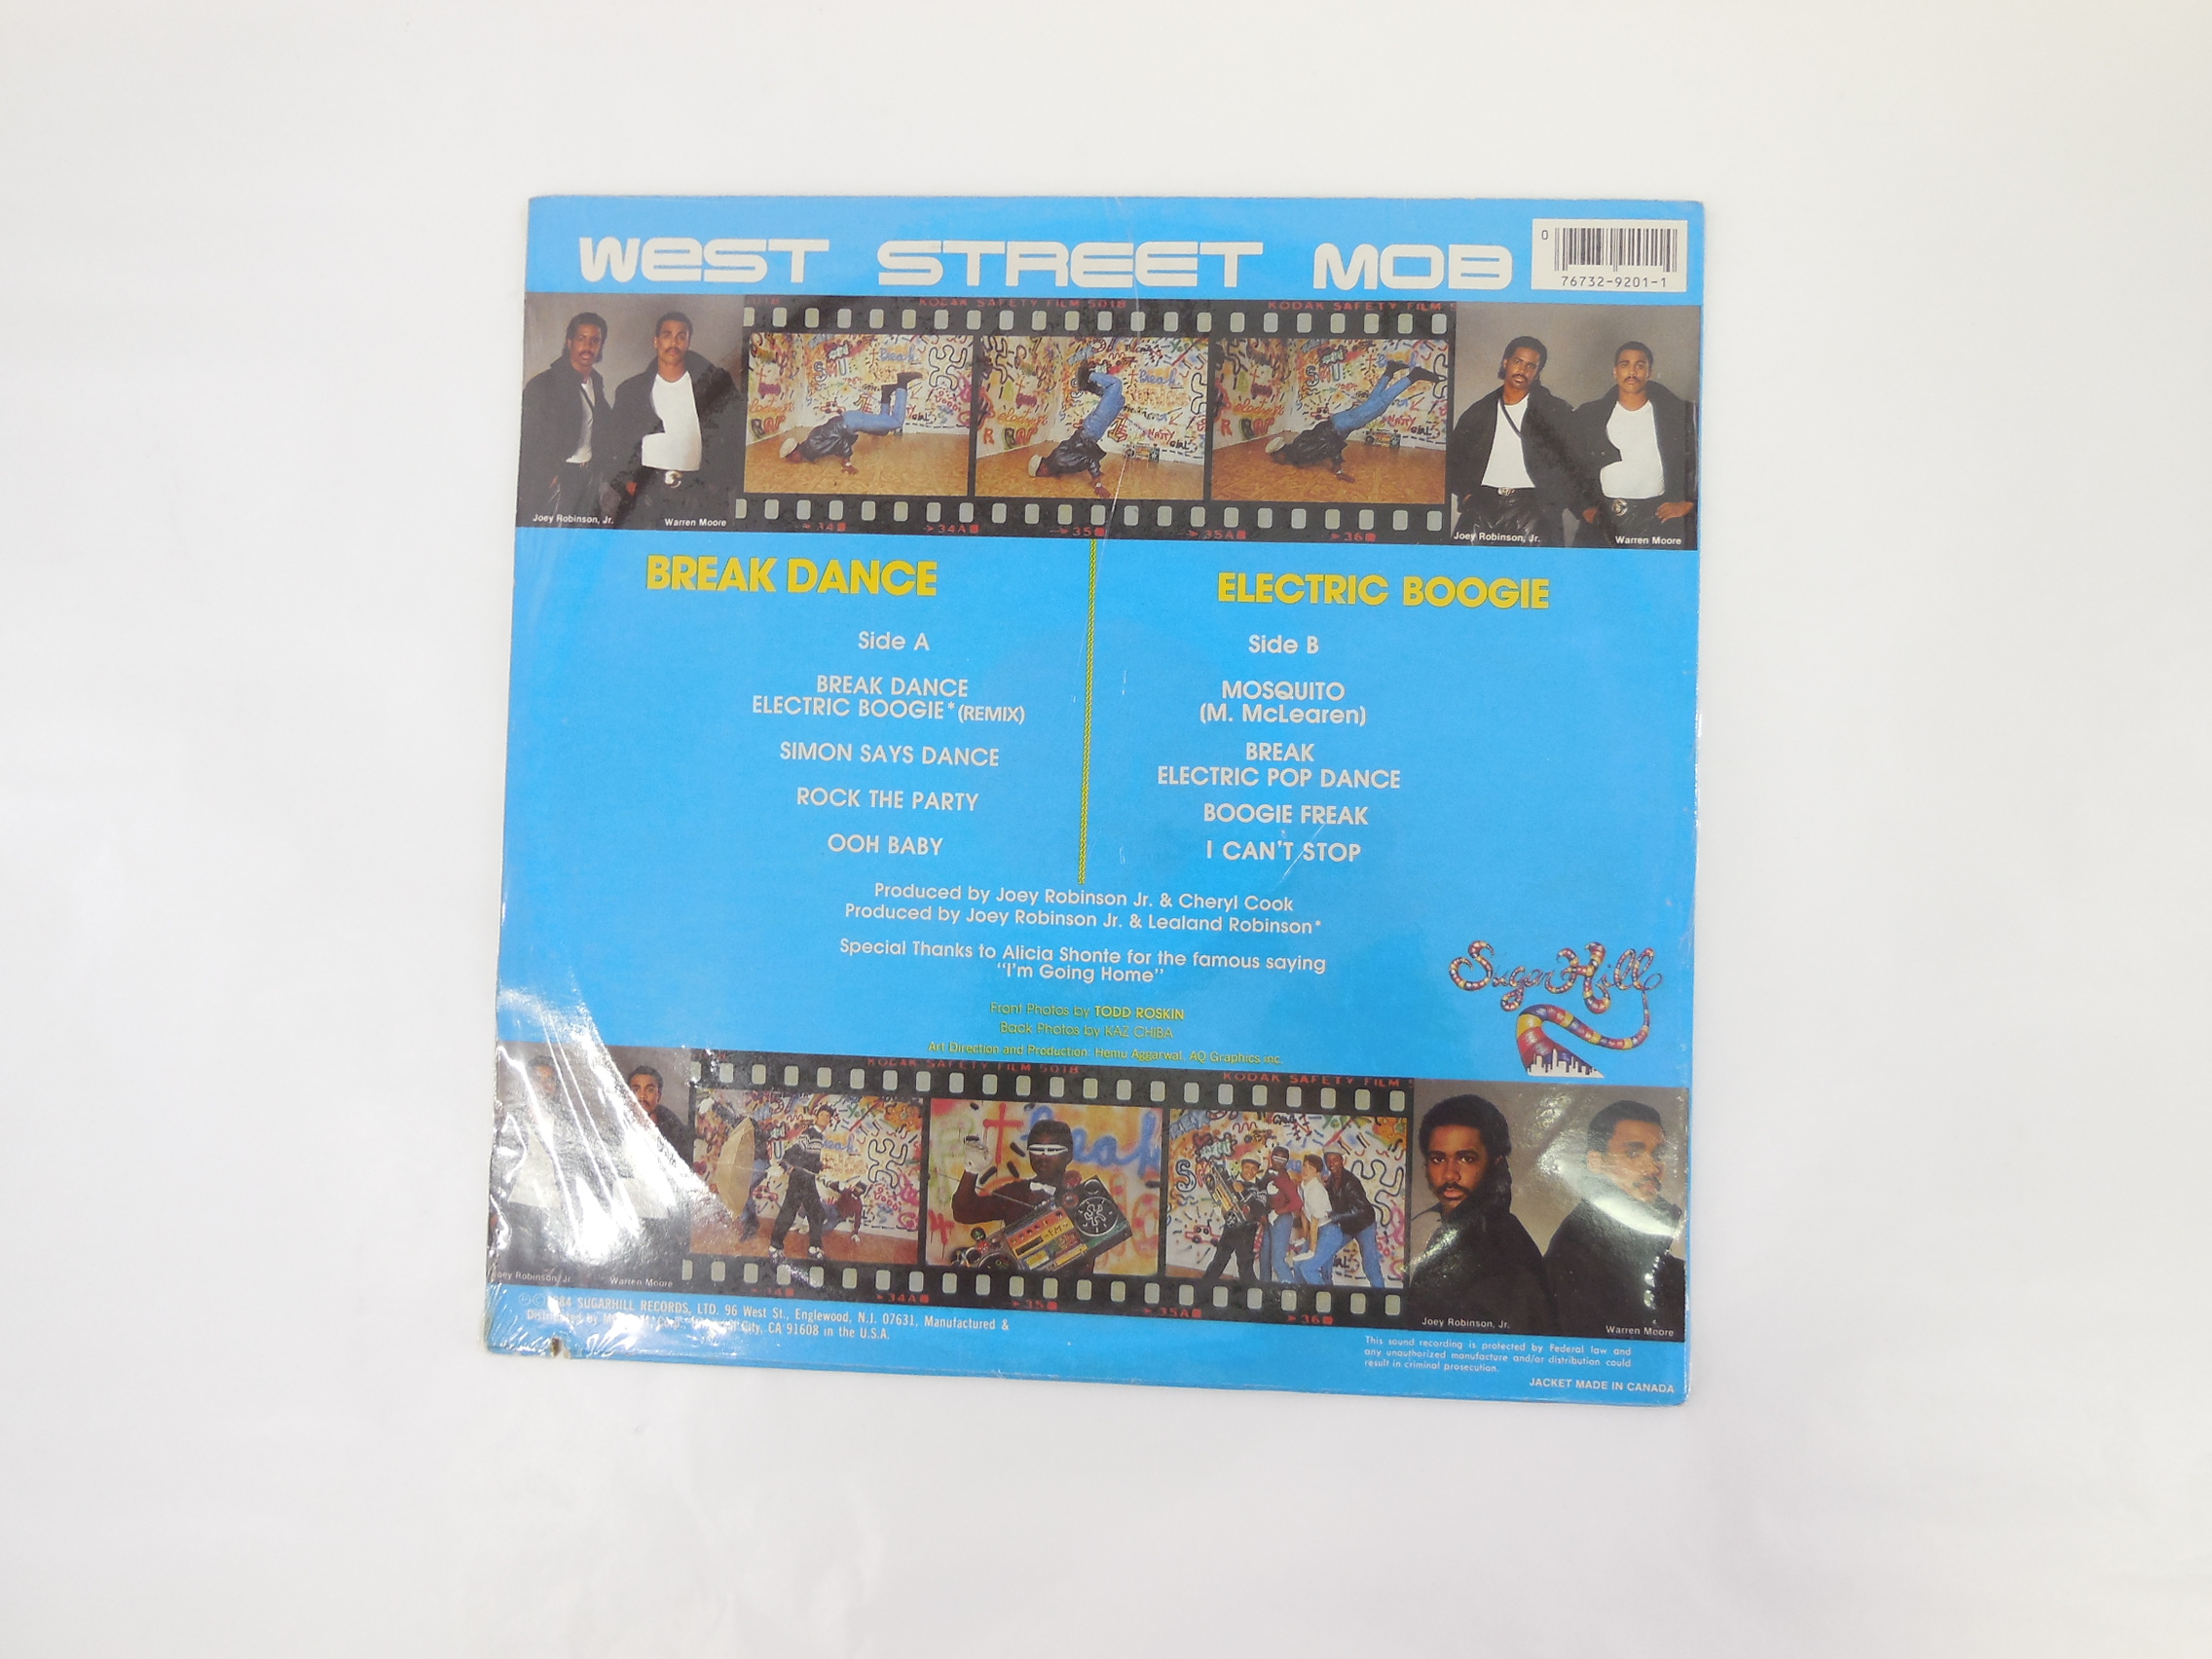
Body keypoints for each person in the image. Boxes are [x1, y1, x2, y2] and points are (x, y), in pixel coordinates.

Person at [1404, 1095, 1556, 1332]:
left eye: (1466, 1158)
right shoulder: (1460, 1233)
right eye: (1438, 1159)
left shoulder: (1499, 1247)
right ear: (1426, 1167)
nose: (1450, 1174)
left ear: (1494, 1163)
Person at [1545, 1100, 1686, 1340]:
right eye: (1633, 1153)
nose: (1652, 1167)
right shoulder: (1576, 1253)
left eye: (1657, 1154)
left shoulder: (1652, 1244)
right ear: (1596, 1162)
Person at [1444, 336, 1592, 545]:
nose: (1523, 370)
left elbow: (1575, 462)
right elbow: (1452, 459)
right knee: (1463, 563)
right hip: (1483, 505)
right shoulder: (1480, 411)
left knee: (1532, 566)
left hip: (1534, 509)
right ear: (1505, 362)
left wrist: (1561, 503)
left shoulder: (1554, 412)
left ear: (1537, 372)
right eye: (1518, 361)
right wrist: (1467, 494)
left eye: (1531, 366)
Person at [603, 311, 741, 527]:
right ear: (656, 341)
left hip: (700, 494)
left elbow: (736, 434)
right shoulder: (631, 391)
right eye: (667, 335)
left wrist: (717, 485)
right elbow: (613, 444)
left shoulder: (714, 386)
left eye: (681, 336)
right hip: (647, 495)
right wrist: (629, 485)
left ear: (688, 342)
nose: (673, 342)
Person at [1573, 342, 1698, 547]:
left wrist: (1690, 502)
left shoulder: (1676, 414)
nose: (1632, 371)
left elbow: (1699, 460)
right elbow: (1570, 462)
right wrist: (1582, 507)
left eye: (1639, 365)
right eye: (1625, 365)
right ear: (1615, 371)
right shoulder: (1590, 414)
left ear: (1650, 372)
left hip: (1657, 521)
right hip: (1605, 522)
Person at [1265, 355, 1442, 483]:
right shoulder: (1297, 443)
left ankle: (1413, 376)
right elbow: (1317, 438)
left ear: (1281, 453)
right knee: (1373, 402)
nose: (1277, 461)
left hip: (1342, 426)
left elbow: (1330, 445)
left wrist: (1339, 471)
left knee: (1380, 405)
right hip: (1338, 420)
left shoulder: (1301, 453)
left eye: (1275, 458)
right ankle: (1390, 370)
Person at [517, 312, 610, 522]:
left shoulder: (596, 383)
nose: (588, 346)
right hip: (559, 479)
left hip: (589, 478)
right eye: (581, 339)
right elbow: (526, 441)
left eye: (594, 340)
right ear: (569, 342)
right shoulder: (543, 385)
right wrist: (545, 477)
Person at [777, 371, 924, 471]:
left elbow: (841, 442)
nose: (793, 461)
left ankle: (902, 383)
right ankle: (886, 393)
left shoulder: (813, 447)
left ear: (795, 452)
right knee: (883, 430)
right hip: (848, 420)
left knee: (896, 422)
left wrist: (846, 462)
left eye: (790, 458)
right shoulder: (811, 443)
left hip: (851, 422)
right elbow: (833, 440)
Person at [1026, 356, 1125, 498]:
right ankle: (1088, 386)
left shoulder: (1059, 461)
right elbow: (1081, 452)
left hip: (1092, 428)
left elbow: (1088, 459)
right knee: (1120, 400)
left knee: (1116, 385)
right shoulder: (1056, 458)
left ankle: (1087, 375)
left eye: (1041, 474)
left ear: (1042, 467)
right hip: (1090, 429)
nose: (1044, 476)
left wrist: (1097, 483)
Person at [770, 1104, 841, 1262]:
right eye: (822, 1115)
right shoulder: (810, 1133)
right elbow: (795, 1150)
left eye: (828, 1117)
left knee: (816, 1213)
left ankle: (814, 1249)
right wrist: (783, 1165)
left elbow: (808, 1159)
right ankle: (775, 1247)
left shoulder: (819, 1136)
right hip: (799, 1178)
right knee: (789, 1212)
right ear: (816, 1117)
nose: (825, 1118)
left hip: (808, 1178)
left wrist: (820, 1166)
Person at [1306, 1149, 1384, 1287]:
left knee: (1370, 1265)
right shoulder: (1330, 1181)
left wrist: (1333, 1216)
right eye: (1328, 1161)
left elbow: (1359, 1209)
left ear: (1342, 1161)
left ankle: (1381, 1295)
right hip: (1346, 1226)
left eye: (1335, 1160)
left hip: (1364, 1226)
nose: (1331, 1164)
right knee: (1326, 1254)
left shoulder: (1351, 1182)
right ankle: (1327, 1291)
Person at [1199, 1156, 1269, 1285]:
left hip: (1248, 1229)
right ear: (1241, 1167)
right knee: (1220, 1259)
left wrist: (1243, 1191)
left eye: (1254, 1168)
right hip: (1231, 1226)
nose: (1249, 1171)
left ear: (1258, 1170)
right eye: (1247, 1167)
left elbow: (1258, 1210)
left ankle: (1251, 1293)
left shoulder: (1261, 1186)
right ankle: (1203, 1289)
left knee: (1244, 1264)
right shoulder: (1231, 1180)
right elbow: (1221, 1199)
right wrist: (1220, 1209)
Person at [623, 1064, 689, 1159]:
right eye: (636, 1090)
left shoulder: (676, 1134)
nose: (642, 1096)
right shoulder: (620, 1125)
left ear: (659, 1096)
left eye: (650, 1090)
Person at [1262, 1146, 1302, 1284]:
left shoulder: (1283, 1178)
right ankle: (1264, 1290)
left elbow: (1297, 1203)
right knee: (1264, 1258)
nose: (1278, 1162)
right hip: (1270, 1219)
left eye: (1283, 1159)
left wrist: (1277, 1212)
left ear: (1287, 1162)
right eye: (1276, 1157)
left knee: (1278, 1261)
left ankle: (1291, 1292)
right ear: (1271, 1157)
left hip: (1281, 1219)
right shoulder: (1269, 1173)